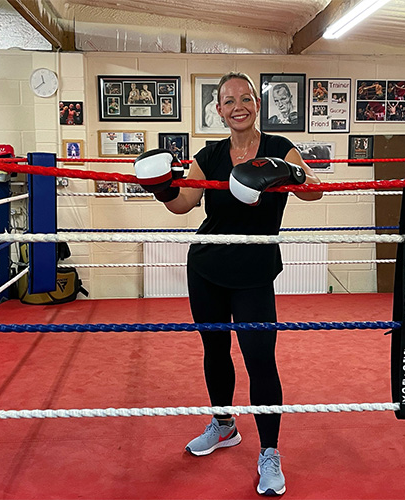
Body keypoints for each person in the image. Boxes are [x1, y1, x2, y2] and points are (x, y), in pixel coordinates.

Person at [133, 71, 322, 496]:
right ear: (218, 110)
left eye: (245, 98)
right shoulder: (210, 154)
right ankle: (223, 426)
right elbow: (184, 205)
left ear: (257, 104)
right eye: (228, 100)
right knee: (215, 350)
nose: (238, 105)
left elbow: (316, 191)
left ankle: (269, 451)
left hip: (254, 271)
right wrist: (160, 189)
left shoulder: (279, 148)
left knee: (260, 358)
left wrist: (285, 174)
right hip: (207, 266)